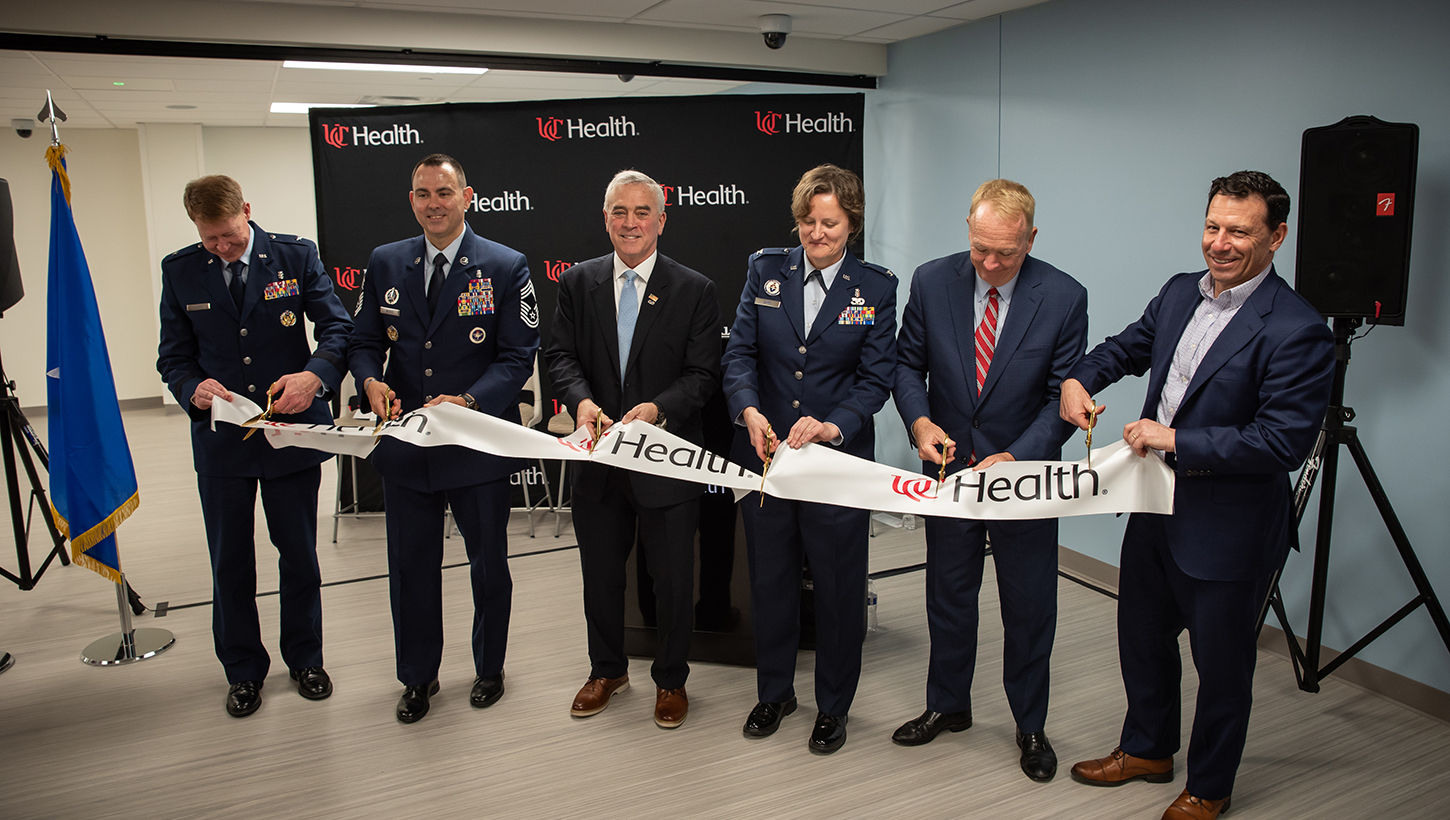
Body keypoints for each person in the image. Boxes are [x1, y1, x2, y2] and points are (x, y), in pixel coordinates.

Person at [1060, 171, 1334, 820]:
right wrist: (1078, 378)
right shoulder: (1181, 292)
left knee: (1222, 667)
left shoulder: (1297, 329)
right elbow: (1128, 347)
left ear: (1276, 237)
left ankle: (1210, 786)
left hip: (1228, 528)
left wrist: (1173, 437)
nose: (1220, 242)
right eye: (1213, 226)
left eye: (1239, 231)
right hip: (1154, 508)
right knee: (1142, 639)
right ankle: (1148, 750)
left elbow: (1280, 443)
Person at [891, 179, 1087, 781]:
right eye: (980, 249)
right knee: (948, 596)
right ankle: (948, 705)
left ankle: (1030, 724)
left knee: (1028, 606)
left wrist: (1017, 456)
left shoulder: (1063, 296)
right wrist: (920, 422)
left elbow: (1062, 393)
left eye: (1006, 251)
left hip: (1022, 478)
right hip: (948, 470)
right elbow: (906, 365)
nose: (991, 263)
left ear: (1031, 238)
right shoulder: (931, 281)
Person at [349, 153, 539, 724]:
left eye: (444, 192)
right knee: (410, 569)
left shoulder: (506, 266)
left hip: (476, 446)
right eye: (423, 194)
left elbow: (516, 356)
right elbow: (362, 340)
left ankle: (489, 669)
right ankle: (417, 677)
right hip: (407, 449)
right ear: (412, 201)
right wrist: (369, 378)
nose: (434, 203)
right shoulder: (385, 262)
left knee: (488, 567)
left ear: (467, 196)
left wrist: (470, 402)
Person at [157, 175, 353, 717]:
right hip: (222, 441)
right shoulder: (180, 270)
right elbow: (173, 356)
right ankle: (243, 671)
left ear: (247, 209)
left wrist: (313, 376)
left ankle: (306, 659)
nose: (221, 247)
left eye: (229, 235)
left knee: (299, 555)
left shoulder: (294, 256)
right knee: (231, 563)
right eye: (210, 239)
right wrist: (189, 387)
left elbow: (337, 329)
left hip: (290, 435)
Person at [721, 164, 897, 755]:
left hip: (836, 466)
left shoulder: (875, 287)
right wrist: (748, 410)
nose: (816, 233)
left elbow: (876, 380)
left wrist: (833, 425)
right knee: (770, 583)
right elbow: (739, 354)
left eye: (830, 223)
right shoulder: (765, 269)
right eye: (807, 221)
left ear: (852, 224)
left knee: (839, 589)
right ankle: (774, 692)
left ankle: (834, 705)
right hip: (767, 459)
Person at [544, 169, 720, 729]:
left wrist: (657, 410)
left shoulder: (695, 289)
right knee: (600, 574)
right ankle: (607, 669)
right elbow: (560, 358)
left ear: (661, 221)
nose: (630, 223)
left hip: (665, 460)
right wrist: (580, 401)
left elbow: (702, 375)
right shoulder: (577, 283)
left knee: (672, 579)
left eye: (642, 212)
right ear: (605, 218)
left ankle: (671, 679)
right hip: (598, 460)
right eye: (620, 211)